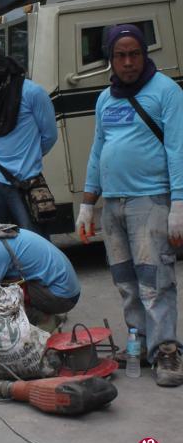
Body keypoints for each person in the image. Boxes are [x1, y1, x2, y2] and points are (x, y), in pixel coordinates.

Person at [77, 24, 183, 387]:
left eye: (134, 54)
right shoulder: (106, 99)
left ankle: (167, 350)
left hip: (150, 201)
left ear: (144, 54)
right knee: (125, 281)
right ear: (111, 58)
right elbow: (97, 150)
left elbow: (177, 149)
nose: (128, 62)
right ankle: (138, 343)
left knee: (156, 281)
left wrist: (178, 205)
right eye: (120, 55)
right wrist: (88, 203)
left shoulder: (167, 92)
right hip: (113, 205)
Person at [0, 44, 57, 235]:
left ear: (3, 69)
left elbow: (50, 136)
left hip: (25, 181)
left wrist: (29, 157)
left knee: (34, 241)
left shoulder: (33, 93)